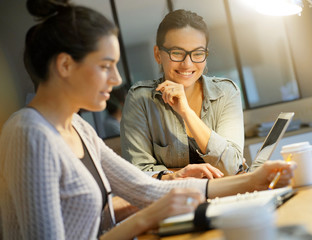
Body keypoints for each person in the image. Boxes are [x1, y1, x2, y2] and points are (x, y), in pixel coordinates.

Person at [0, 1, 296, 239]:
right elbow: (149, 199)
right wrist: (146, 217)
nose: (116, 79)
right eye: (106, 66)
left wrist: (254, 180)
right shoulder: (29, 133)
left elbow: (148, 190)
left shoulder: (77, 128)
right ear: (65, 65)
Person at [120, 9, 244, 179]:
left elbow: (232, 167)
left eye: (198, 53)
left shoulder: (226, 92)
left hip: (230, 195)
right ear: (158, 54)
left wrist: (186, 112)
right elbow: (138, 174)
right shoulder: (141, 99)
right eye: (177, 53)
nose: (187, 63)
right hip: (173, 202)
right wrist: (180, 176)